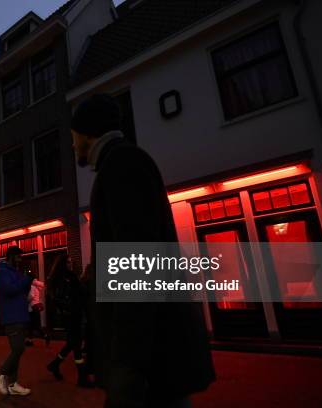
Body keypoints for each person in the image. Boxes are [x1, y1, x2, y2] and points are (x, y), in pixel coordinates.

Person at [71, 94, 215, 407]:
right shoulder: (120, 163)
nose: (72, 145)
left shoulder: (122, 164)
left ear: (86, 132)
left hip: (151, 360)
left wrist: (126, 361)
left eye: (73, 136)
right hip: (151, 357)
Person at [46, 255, 93, 388]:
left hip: (72, 315)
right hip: (72, 315)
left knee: (72, 343)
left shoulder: (65, 277)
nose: (70, 264)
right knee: (76, 344)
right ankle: (82, 378)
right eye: (68, 262)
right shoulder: (66, 278)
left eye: (71, 261)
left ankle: (54, 365)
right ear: (62, 264)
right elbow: (69, 296)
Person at [0, 246, 33, 396]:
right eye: (18, 258)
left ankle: (13, 384)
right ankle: (0, 373)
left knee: (18, 350)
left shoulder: (16, 272)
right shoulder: (2, 272)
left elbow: (21, 290)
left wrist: (27, 282)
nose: (20, 260)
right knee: (18, 349)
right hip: (12, 316)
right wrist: (25, 280)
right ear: (11, 257)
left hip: (20, 315)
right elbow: (9, 290)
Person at [25, 271, 49, 346]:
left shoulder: (32, 286)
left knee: (34, 325)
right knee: (32, 325)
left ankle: (46, 336)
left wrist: (26, 300)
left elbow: (31, 296)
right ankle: (30, 340)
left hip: (32, 307)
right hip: (35, 307)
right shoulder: (37, 286)